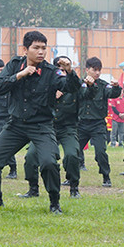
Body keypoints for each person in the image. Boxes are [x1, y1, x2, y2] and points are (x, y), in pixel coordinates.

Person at [0, 31, 80, 214]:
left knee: (49, 163)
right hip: (16, 125)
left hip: (41, 125)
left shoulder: (51, 72)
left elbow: (71, 87)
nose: (41, 52)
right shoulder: (14, 65)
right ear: (25, 50)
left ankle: (54, 203)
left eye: (44, 48)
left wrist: (70, 71)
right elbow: (0, 87)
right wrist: (20, 75)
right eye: (36, 48)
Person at [22, 55, 83, 199]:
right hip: (46, 127)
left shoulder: (74, 85)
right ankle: (33, 188)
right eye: (59, 69)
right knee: (30, 156)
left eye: (65, 69)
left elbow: (87, 93)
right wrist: (51, 95)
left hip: (67, 128)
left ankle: (74, 187)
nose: (62, 73)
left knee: (72, 155)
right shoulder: (46, 83)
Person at [77, 57, 122, 188]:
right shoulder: (79, 84)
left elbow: (112, 93)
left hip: (97, 124)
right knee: (74, 152)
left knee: (101, 152)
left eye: (99, 70)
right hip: (81, 124)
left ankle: (106, 177)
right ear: (87, 70)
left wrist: (116, 87)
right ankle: (71, 177)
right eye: (94, 70)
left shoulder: (103, 85)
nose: (97, 73)